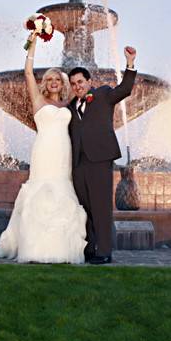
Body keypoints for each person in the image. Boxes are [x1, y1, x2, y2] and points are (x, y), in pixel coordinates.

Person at [0, 31, 87, 263]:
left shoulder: (67, 103)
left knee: (62, 188)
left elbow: (82, 86)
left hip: (64, 151)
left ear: (62, 84)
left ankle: (61, 249)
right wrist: (32, 42)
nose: (53, 82)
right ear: (45, 83)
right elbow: (28, 72)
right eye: (50, 79)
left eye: (57, 80)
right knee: (40, 188)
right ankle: (33, 248)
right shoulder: (38, 100)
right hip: (44, 150)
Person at [68, 47, 137, 265]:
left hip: (100, 160)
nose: (77, 86)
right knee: (85, 207)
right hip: (79, 163)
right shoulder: (70, 107)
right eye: (73, 84)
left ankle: (105, 251)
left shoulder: (103, 94)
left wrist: (130, 63)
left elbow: (125, 89)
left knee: (101, 207)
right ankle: (89, 248)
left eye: (80, 82)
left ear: (88, 82)